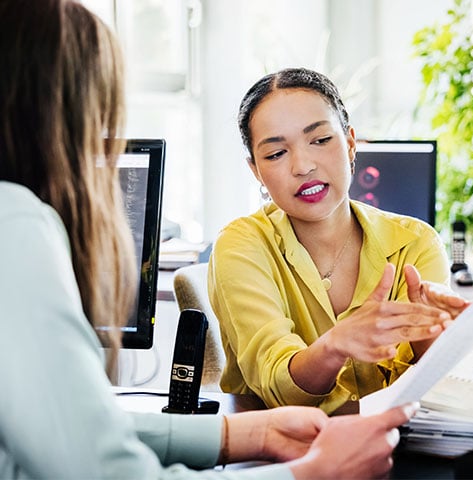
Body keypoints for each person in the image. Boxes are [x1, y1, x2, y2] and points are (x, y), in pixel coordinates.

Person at [0, 2, 416, 478]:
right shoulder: (13, 223)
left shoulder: (412, 240)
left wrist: (243, 436)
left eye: (319, 140)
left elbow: (80, 433)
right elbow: (102, 469)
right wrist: (308, 474)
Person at [208, 67, 470, 414]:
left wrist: (432, 338)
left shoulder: (416, 243)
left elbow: (433, 392)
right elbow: (278, 390)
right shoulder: (241, 246)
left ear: (349, 143)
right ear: (256, 170)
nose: (302, 166)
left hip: (401, 449)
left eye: (319, 140)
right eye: (275, 154)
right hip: (282, 457)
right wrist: (335, 346)